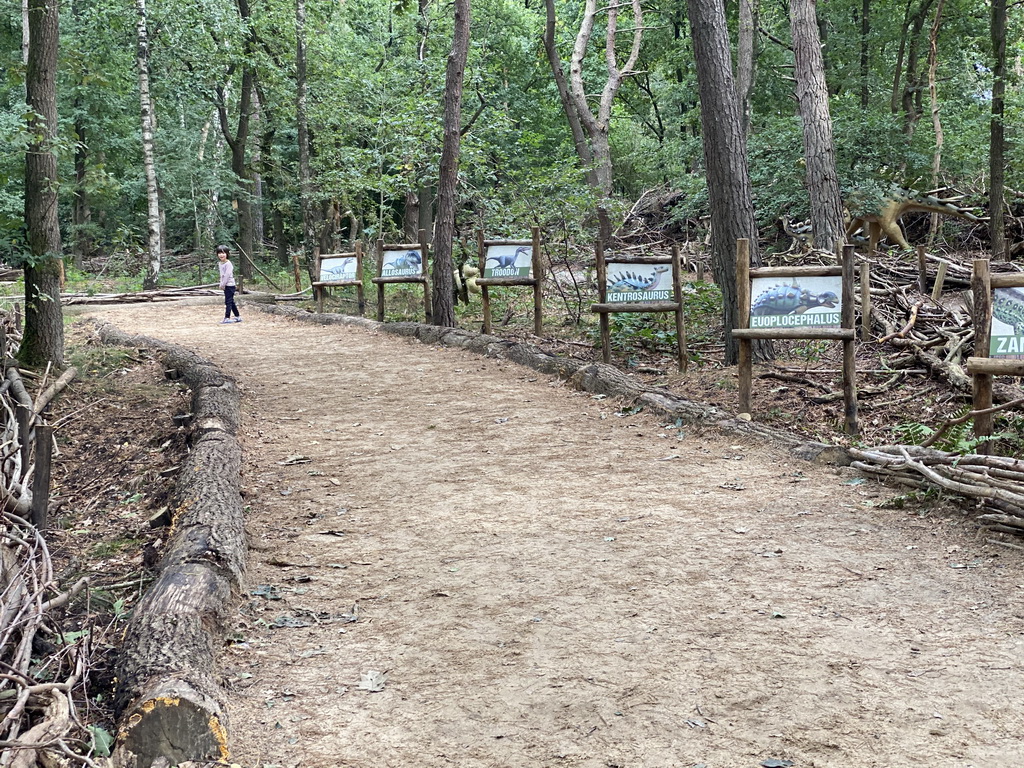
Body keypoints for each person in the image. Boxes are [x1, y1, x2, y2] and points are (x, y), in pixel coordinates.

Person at [217, 244, 242, 323]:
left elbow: (227, 275)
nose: (221, 255)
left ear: (227, 254)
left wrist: (223, 284)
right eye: (220, 253)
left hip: (230, 285)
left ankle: (227, 317)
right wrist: (221, 283)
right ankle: (237, 316)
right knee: (230, 301)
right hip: (225, 285)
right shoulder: (220, 263)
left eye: (223, 253)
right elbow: (222, 275)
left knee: (228, 302)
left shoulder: (228, 264)